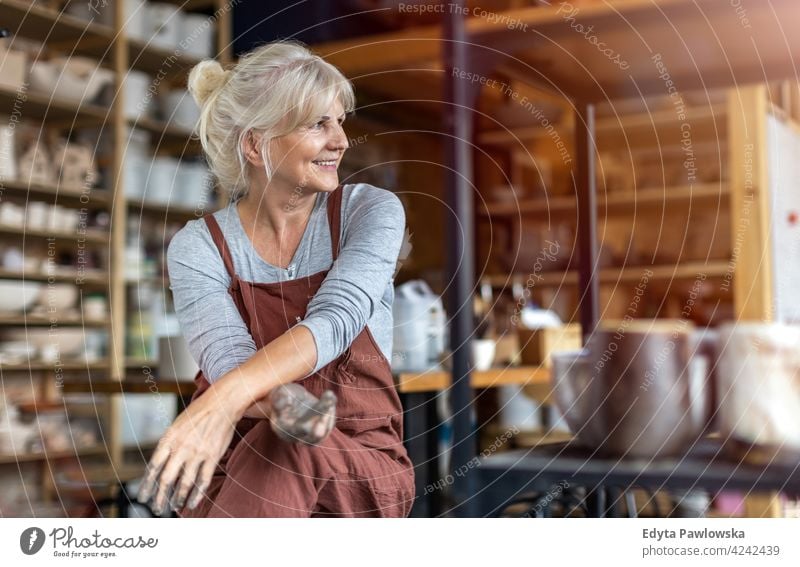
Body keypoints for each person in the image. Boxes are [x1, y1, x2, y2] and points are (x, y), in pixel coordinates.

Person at [136, 40, 414, 518]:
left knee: (284, 447)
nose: (341, 140)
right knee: (276, 439)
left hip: (358, 469)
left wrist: (219, 402)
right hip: (235, 465)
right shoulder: (198, 247)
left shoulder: (369, 212)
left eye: (340, 121)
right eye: (317, 123)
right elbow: (231, 362)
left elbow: (337, 319)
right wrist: (285, 404)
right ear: (254, 144)